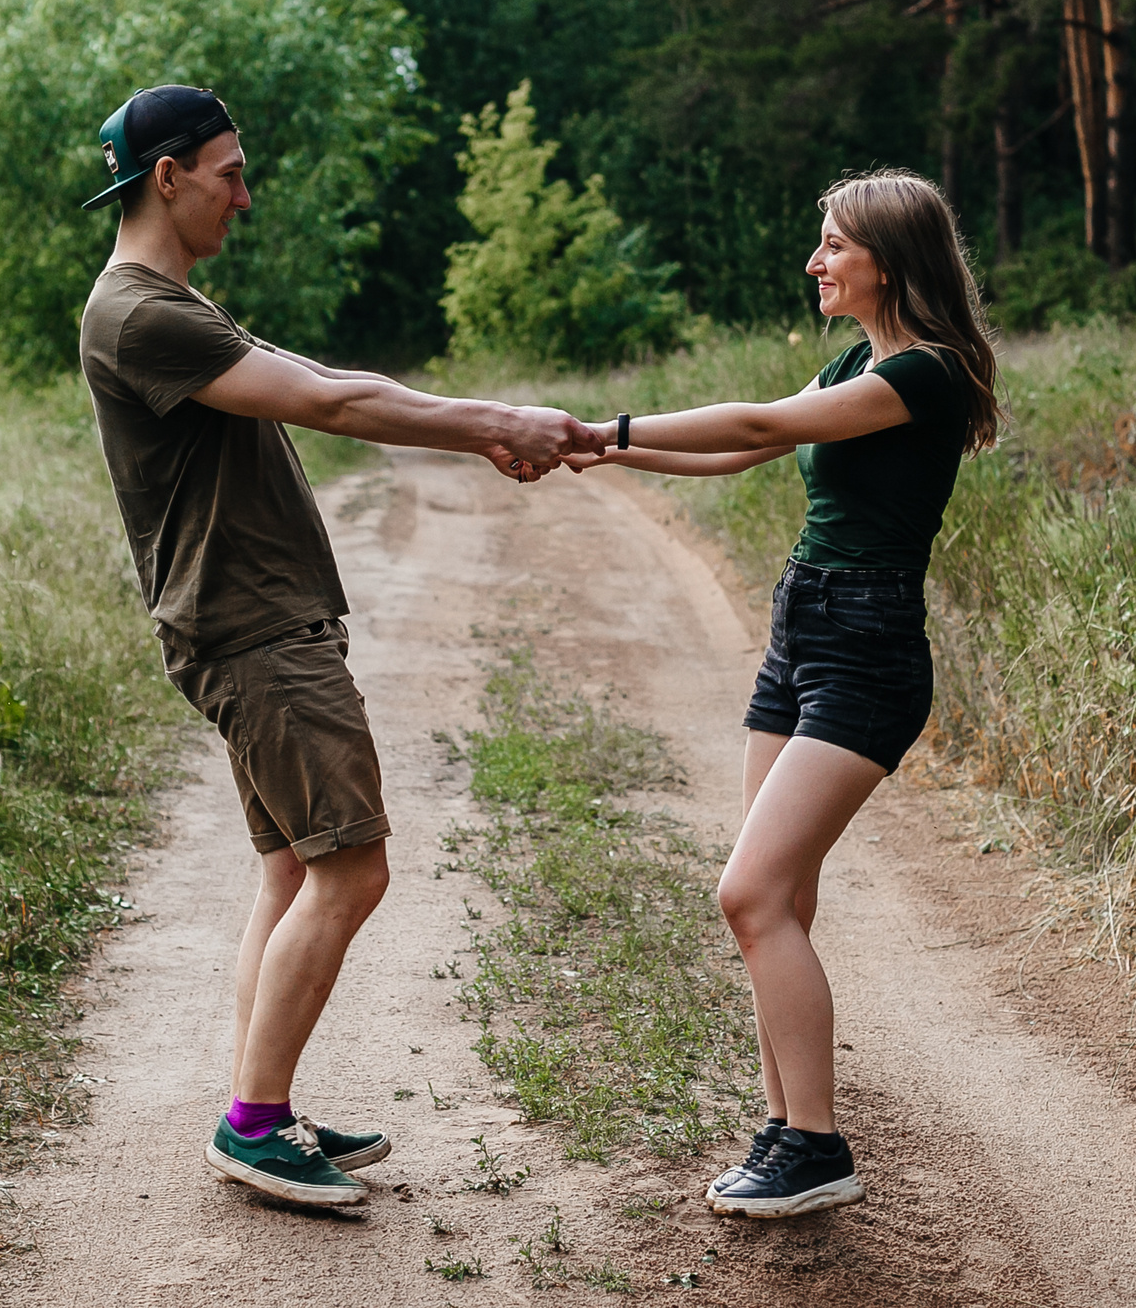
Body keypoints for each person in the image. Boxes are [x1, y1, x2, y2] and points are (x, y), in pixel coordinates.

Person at [78, 85, 600, 1209]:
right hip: (252, 632)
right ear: (167, 175)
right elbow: (335, 402)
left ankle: (259, 1102)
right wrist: (494, 423)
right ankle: (252, 1122)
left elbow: (344, 382)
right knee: (351, 866)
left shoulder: (171, 300)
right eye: (230, 171)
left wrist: (481, 418)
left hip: (251, 623)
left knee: (291, 868)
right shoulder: (141, 312)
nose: (244, 194)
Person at [561, 169, 999, 1220]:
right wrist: (594, 449)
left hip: (868, 647)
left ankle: (815, 1139)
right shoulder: (854, 359)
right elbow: (753, 443)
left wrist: (612, 426)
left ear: (887, 259)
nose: (815, 261)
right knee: (780, 900)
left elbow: (755, 413)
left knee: (747, 892)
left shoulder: (924, 373)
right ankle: (785, 1136)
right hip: (800, 630)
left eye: (834, 245)